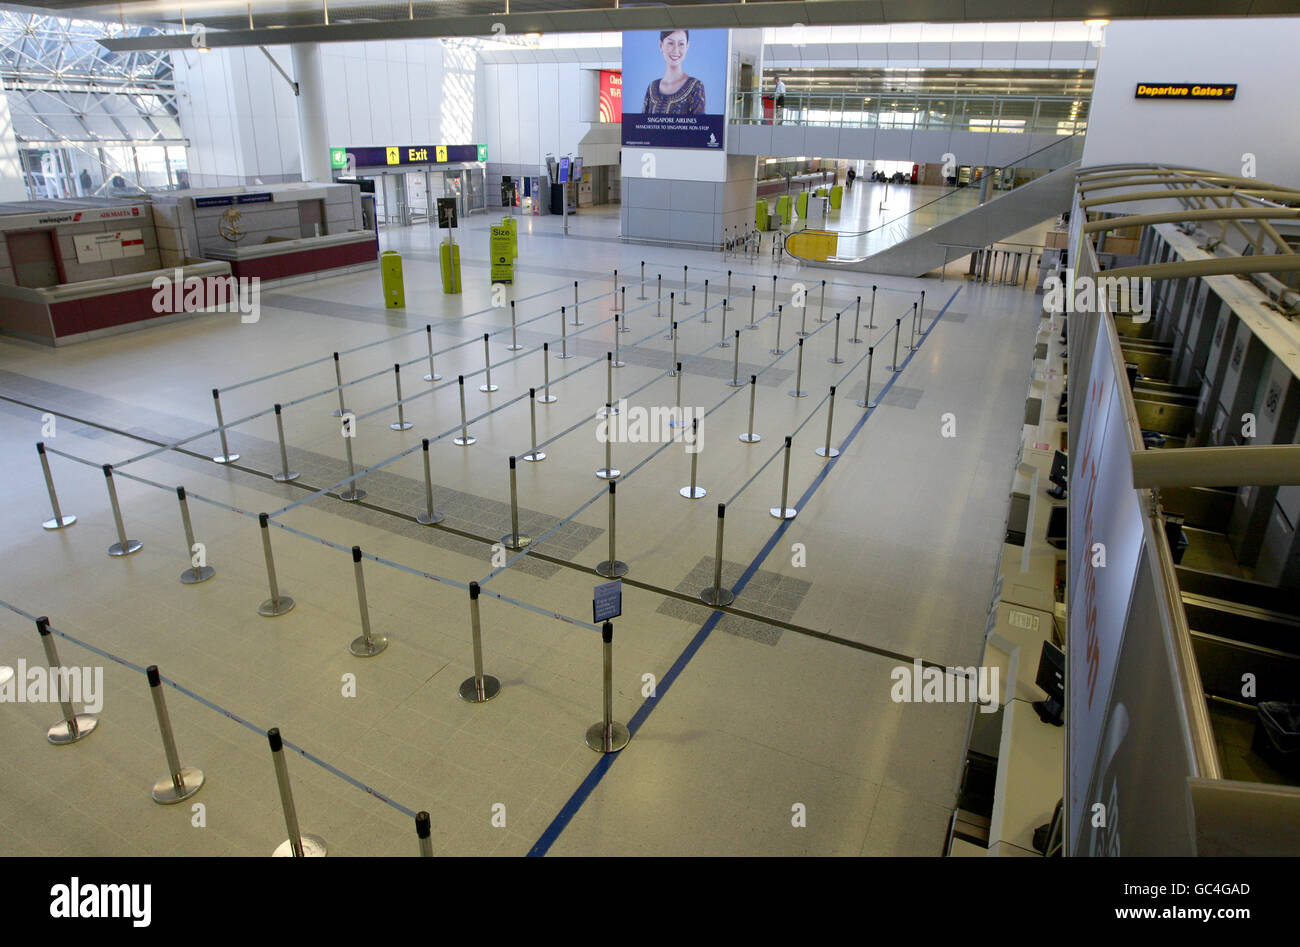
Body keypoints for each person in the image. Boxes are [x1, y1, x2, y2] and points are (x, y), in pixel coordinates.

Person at [642, 30, 705, 115]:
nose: (676, 50)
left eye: (681, 44)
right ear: (661, 46)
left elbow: (699, 125)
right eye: (670, 43)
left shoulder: (695, 87)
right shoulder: (652, 87)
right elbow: (642, 123)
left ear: (687, 46)